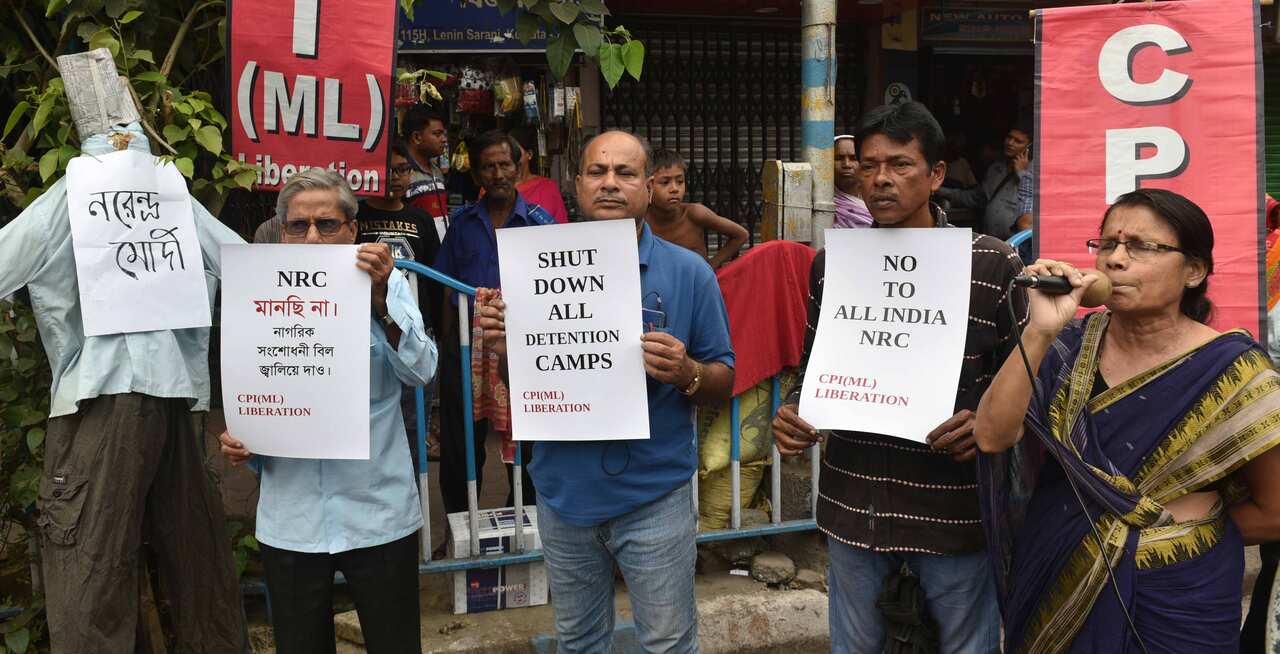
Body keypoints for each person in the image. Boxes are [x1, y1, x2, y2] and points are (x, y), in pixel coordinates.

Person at [974, 188, 1280, 652]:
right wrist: (1039, 331)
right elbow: (992, 436)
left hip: (1180, 592)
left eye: (1141, 246)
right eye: (1107, 244)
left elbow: (1274, 511)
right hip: (1059, 564)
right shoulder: (1066, 346)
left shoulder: (1235, 372)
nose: (1115, 260)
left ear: (1194, 271)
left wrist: (1166, 538)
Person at [771, 101, 1026, 654]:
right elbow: (812, 364)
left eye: (900, 164)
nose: (881, 179)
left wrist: (984, 421)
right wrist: (793, 409)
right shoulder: (832, 265)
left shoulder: (992, 265)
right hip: (853, 505)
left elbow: (1031, 384)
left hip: (953, 514)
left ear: (936, 174)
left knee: (967, 647)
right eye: (869, 165)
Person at [476, 130, 735, 652]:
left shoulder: (690, 272)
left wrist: (687, 372)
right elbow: (523, 387)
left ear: (648, 187)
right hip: (562, 495)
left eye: (625, 173)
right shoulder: (535, 267)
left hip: (655, 497)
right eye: (597, 172)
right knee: (578, 642)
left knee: (667, 642)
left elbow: (723, 379)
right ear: (577, 185)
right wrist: (505, 350)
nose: (610, 183)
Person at [0, 123, 249, 652]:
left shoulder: (67, 195)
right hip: (175, 397)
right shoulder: (172, 193)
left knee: (90, 569)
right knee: (197, 564)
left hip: (96, 398)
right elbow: (247, 266)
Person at [219, 169, 437, 654]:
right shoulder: (256, 295)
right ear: (281, 232)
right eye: (299, 226)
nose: (313, 237)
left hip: (377, 512)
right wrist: (243, 440)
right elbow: (254, 390)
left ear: (352, 229)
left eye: (327, 224)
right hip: (292, 518)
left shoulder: (389, 285)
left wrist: (380, 301)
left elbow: (422, 371)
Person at [433, 130, 555, 524]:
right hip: (466, 347)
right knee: (461, 444)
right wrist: (449, 349)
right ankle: (458, 527)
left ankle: (530, 524)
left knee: (526, 440)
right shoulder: (462, 224)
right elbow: (446, 288)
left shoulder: (541, 224)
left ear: (518, 167)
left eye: (505, 164)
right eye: (488, 166)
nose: (498, 173)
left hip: (522, 347)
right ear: (476, 175)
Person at [357, 139, 444, 465]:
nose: (396, 177)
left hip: (411, 332)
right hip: (369, 334)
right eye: (388, 170)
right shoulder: (357, 216)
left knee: (413, 421)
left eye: (403, 169)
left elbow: (434, 276)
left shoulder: (420, 219)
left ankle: (411, 483)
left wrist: (435, 327)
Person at [644, 149, 748, 269]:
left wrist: (710, 267)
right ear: (648, 186)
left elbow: (741, 235)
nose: (675, 189)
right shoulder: (641, 221)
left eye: (680, 181)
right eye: (665, 182)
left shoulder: (694, 214)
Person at [936, 124, 1033, 240]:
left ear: (1029, 147)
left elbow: (1031, 208)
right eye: (1009, 137)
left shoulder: (1035, 174)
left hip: (1016, 243)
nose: (1010, 143)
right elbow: (977, 197)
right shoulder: (996, 169)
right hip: (991, 240)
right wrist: (940, 190)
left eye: (1018, 141)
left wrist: (1022, 174)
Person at [402, 105, 450, 240]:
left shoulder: (437, 171)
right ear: (417, 137)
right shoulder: (402, 173)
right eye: (437, 134)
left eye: (443, 134)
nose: (444, 139)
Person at [511, 126, 570, 224]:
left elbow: (560, 227)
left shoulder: (547, 187)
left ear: (529, 154)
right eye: (506, 153)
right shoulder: (493, 189)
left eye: (515, 151)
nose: (511, 156)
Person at [832, 134, 873, 228]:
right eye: (839, 158)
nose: (847, 164)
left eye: (853, 158)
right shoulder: (821, 202)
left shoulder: (877, 196)